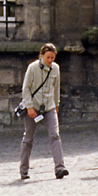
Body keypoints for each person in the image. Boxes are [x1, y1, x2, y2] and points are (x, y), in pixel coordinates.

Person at [19, 43, 67, 180]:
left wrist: (56, 105)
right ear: (41, 56)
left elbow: (56, 88)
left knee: (55, 136)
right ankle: (23, 170)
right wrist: (29, 107)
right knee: (28, 138)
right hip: (33, 107)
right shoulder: (32, 68)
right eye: (48, 57)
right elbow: (26, 89)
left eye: (53, 57)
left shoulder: (56, 68)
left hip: (49, 107)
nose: (50, 60)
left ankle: (60, 167)